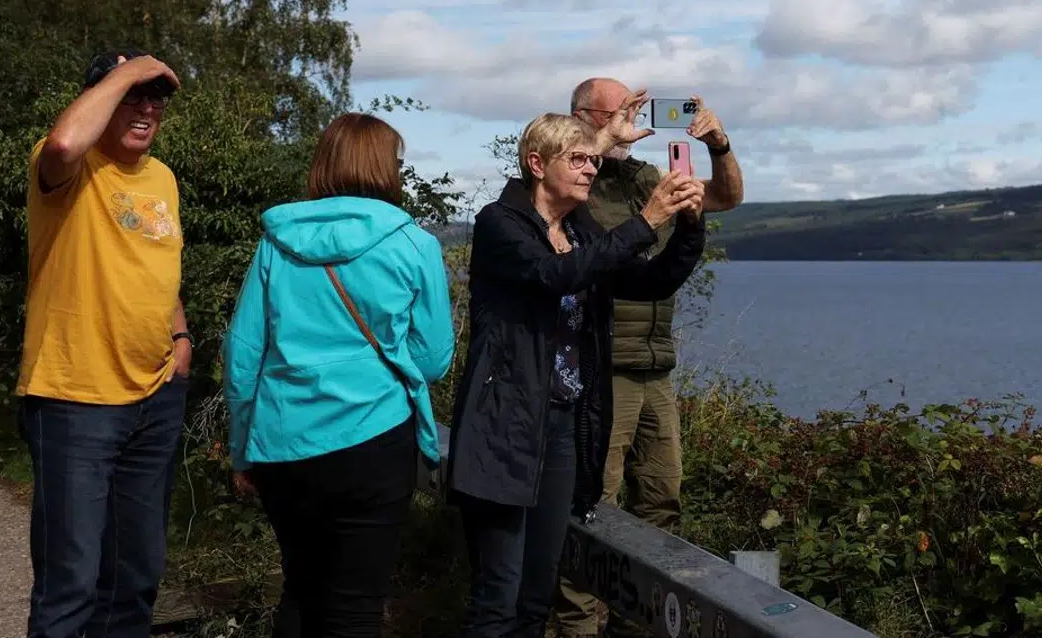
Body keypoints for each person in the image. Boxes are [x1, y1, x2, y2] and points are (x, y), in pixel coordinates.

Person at [447, 100, 707, 638]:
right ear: (538, 165)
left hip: (563, 426)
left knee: (537, 592)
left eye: (594, 160)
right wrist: (644, 220)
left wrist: (687, 226)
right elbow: (552, 275)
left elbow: (651, 281)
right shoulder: (501, 224)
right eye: (580, 160)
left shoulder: (583, 233)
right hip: (504, 426)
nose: (593, 169)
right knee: (499, 595)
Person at [222, 112, 455, 638]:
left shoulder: (276, 243)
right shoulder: (414, 245)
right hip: (374, 440)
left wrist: (242, 451)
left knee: (301, 591)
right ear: (385, 168)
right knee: (355, 607)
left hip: (282, 442)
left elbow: (243, 358)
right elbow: (434, 358)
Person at [555, 78, 744, 638]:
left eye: (640, 111)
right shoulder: (575, 177)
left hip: (655, 365)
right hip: (601, 365)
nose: (635, 123)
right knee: (592, 510)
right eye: (622, 112)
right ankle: (579, 629)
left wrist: (719, 145)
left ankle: (637, 630)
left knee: (661, 505)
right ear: (586, 116)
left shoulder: (641, 175)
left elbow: (726, 197)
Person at [17, 49, 191, 638]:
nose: (146, 107)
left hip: (154, 397)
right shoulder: (65, 166)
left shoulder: (162, 178)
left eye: (156, 98)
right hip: (75, 399)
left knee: (134, 580)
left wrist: (180, 332)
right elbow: (65, 144)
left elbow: (158, 267)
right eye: (132, 96)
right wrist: (129, 69)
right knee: (71, 585)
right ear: (103, 97)